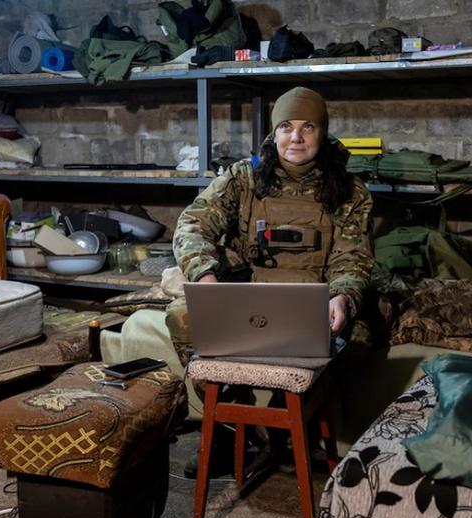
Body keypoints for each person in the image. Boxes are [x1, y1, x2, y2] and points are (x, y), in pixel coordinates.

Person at [101, 86, 374, 472]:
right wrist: (205, 276)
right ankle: (228, 430)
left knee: (359, 336)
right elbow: (192, 224)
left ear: (322, 132)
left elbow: (353, 258)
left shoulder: (350, 191)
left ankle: (290, 430)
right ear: (274, 133)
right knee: (183, 315)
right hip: (250, 296)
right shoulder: (244, 178)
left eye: (308, 127)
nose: (295, 137)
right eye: (286, 127)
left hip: (314, 299)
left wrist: (343, 297)